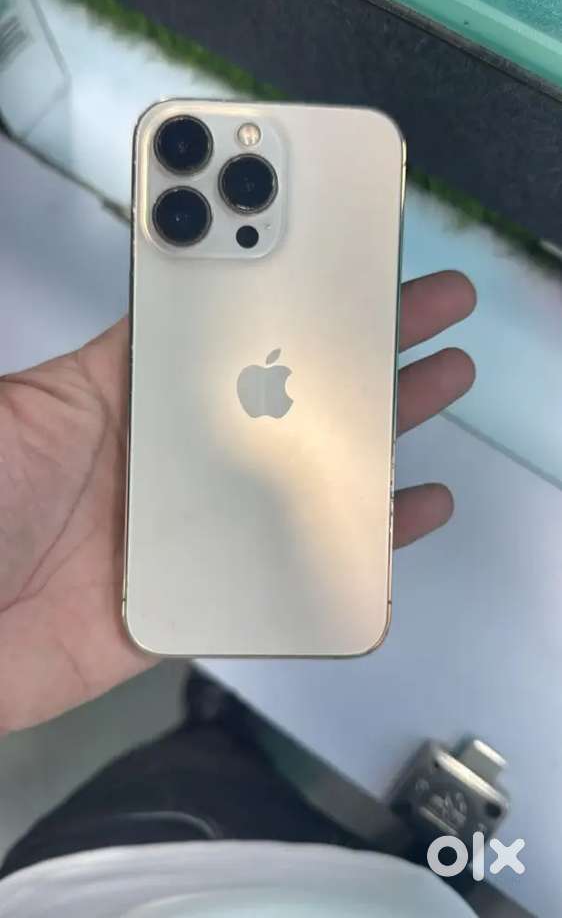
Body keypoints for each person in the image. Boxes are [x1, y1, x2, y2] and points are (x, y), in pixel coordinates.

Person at [0, 270, 477, 916]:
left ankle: (224, 726)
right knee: (416, 892)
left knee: (198, 767)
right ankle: (432, 861)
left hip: (106, 880)